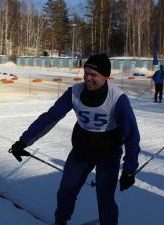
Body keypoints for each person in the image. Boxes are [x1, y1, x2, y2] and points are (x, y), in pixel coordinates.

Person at [9, 53, 141, 225]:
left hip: (108, 154)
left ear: (106, 76)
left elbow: (132, 135)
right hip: (81, 150)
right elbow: (50, 117)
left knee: (105, 196)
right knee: (67, 189)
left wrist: (129, 169)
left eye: (94, 75)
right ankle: (61, 221)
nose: (88, 78)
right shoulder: (75, 92)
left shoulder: (117, 99)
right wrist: (23, 141)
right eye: (86, 73)